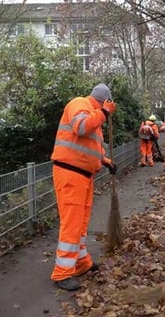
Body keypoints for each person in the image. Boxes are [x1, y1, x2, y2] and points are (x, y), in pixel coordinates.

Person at [50, 83, 117, 291]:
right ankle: (62, 273)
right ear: (103, 101)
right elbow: (81, 128)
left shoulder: (94, 115)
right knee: (72, 223)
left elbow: (88, 148)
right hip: (70, 174)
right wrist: (104, 113)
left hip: (83, 176)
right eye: (105, 104)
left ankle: (80, 263)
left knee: (81, 221)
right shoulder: (80, 104)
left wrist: (104, 161)